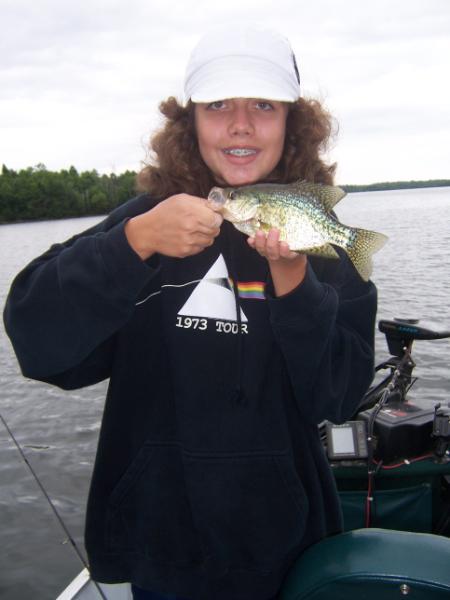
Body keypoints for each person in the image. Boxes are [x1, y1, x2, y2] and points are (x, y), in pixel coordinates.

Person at [3, 24, 377, 600]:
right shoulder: (144, 224)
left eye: (264, 105)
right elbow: (39, 343)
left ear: (292, 122)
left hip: (283, 546)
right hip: (161, 545)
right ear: (191, 122)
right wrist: (132, 243)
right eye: (217, 104)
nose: (240, 124)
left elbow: (338, 398)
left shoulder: (319, 245)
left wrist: (294, 282)